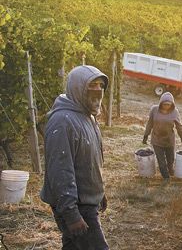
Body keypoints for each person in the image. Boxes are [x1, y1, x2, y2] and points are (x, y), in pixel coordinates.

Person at [40, 65, 110, 250]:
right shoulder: (63, 121)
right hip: (75, 205)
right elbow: (60, 171)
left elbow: (91, 162)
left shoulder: (88, 117)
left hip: (87, 201)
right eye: (92, 85)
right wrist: (72, 215)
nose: (98, 90)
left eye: (100, 85)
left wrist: (99, 194)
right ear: (78, 87)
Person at [142, 91, 182, 180]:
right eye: (164, 104)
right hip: (157, 139)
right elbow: (149, 123)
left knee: (170, 159)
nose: (166, 106)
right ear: (161, 103)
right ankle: (166, 178)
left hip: (169, 140)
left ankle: (170, 170)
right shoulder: (154, 110)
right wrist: (145, 136)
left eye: (168, 104)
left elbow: (179, 126)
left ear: (172, 104)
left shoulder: (175, 112)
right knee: (161, 161)